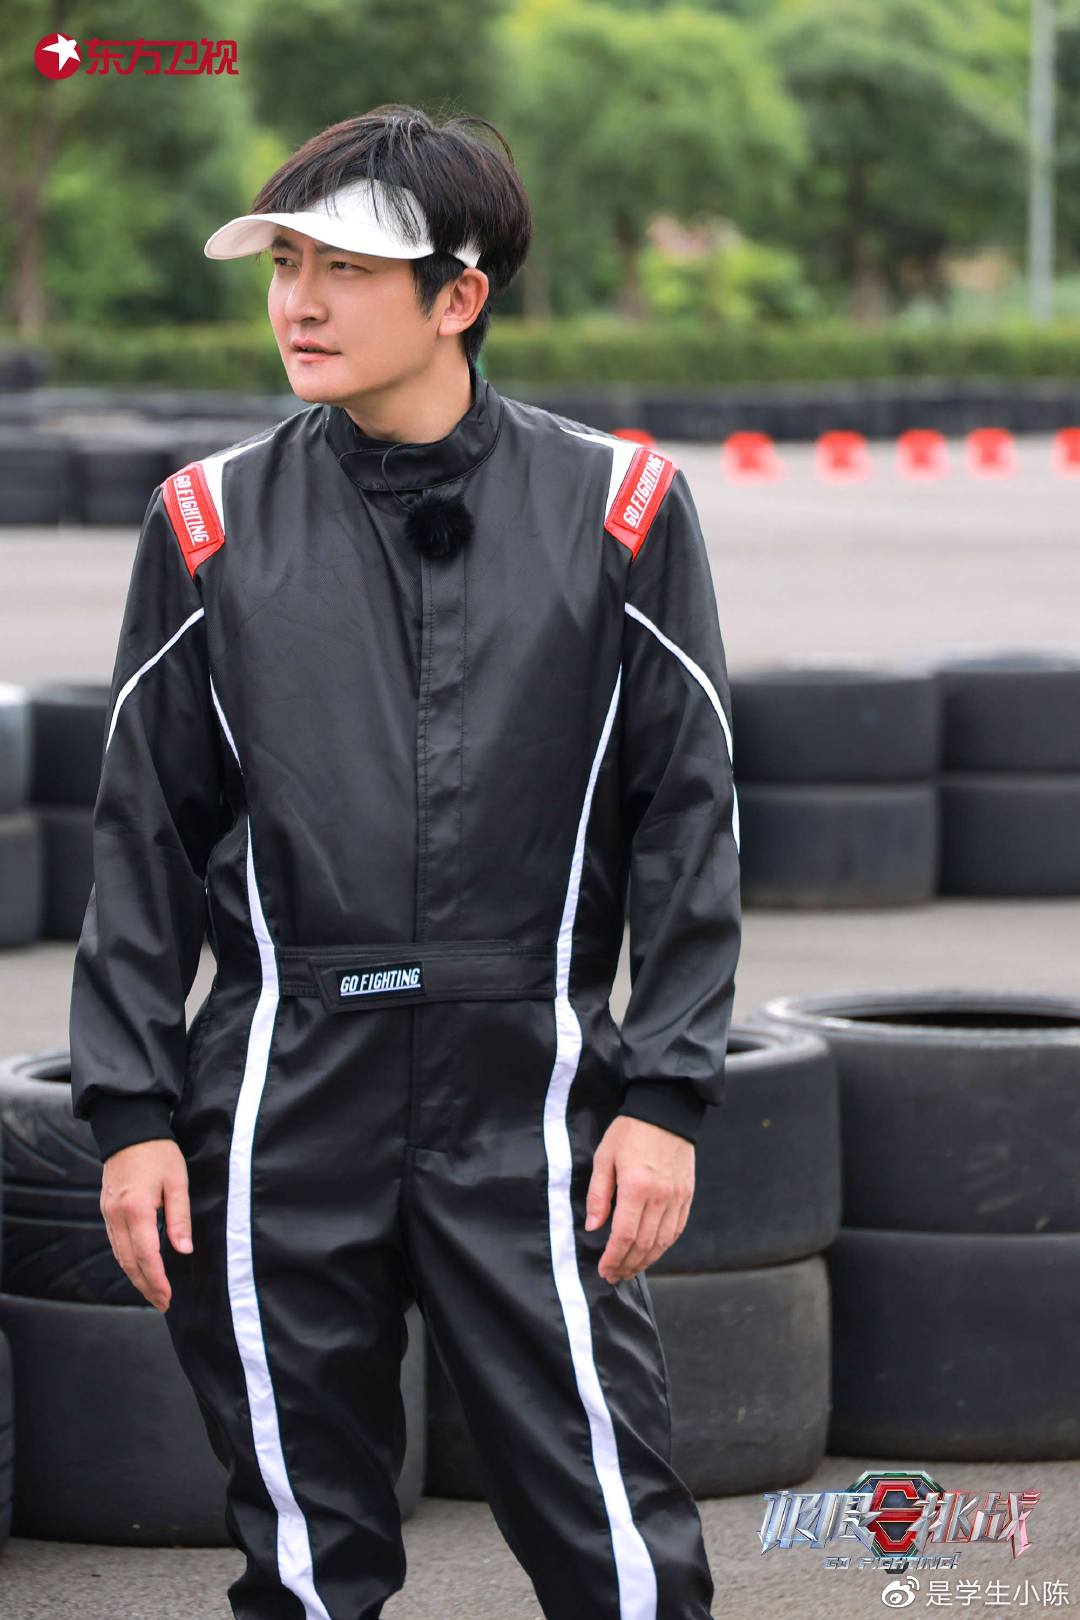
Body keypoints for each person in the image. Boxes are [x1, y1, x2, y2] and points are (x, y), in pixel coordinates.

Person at [68, 103, 742, 1620]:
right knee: (308, 1557)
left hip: (531, 1086)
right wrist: (128, 1111)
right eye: (284, 265)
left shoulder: (621, 509)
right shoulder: (207, 523)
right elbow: (143, 836)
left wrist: (666, 1096)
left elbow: (689, 818)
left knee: (618, 1543)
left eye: (346, 270)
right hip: (280, 1089)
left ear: (459, 296)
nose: (299, 303)